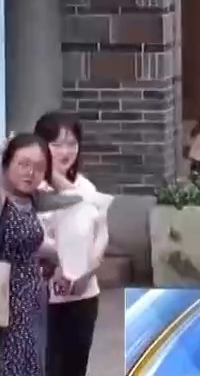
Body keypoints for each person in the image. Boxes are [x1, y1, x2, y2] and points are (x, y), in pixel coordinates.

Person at [34, 113, 107, 376]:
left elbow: (101, 235)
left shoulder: (86, 188)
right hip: (41, 298)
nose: (66, 152)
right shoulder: (31, 190)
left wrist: (87, 269)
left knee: (74, 368)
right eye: (56, 144)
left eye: (72, 143)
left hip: (83, 297)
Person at [1, 134, 49, 375]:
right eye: (23, 164)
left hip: (31, 299)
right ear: (6, 163)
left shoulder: (29, 200)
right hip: (7, 301)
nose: (31, 173)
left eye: (39, 167)